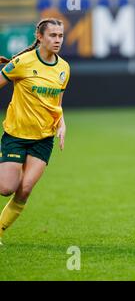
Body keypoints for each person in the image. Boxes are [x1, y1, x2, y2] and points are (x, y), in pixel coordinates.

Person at [0, 18, 70, 245]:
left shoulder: (64, 68)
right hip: (16, 135)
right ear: (40, 37)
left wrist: (61, 124)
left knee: (25, 189)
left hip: (43, 138)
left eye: (60, 36)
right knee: (6, 188)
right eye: (53, 35)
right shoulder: (21, 62)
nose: (57, 40)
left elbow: (56, 104)